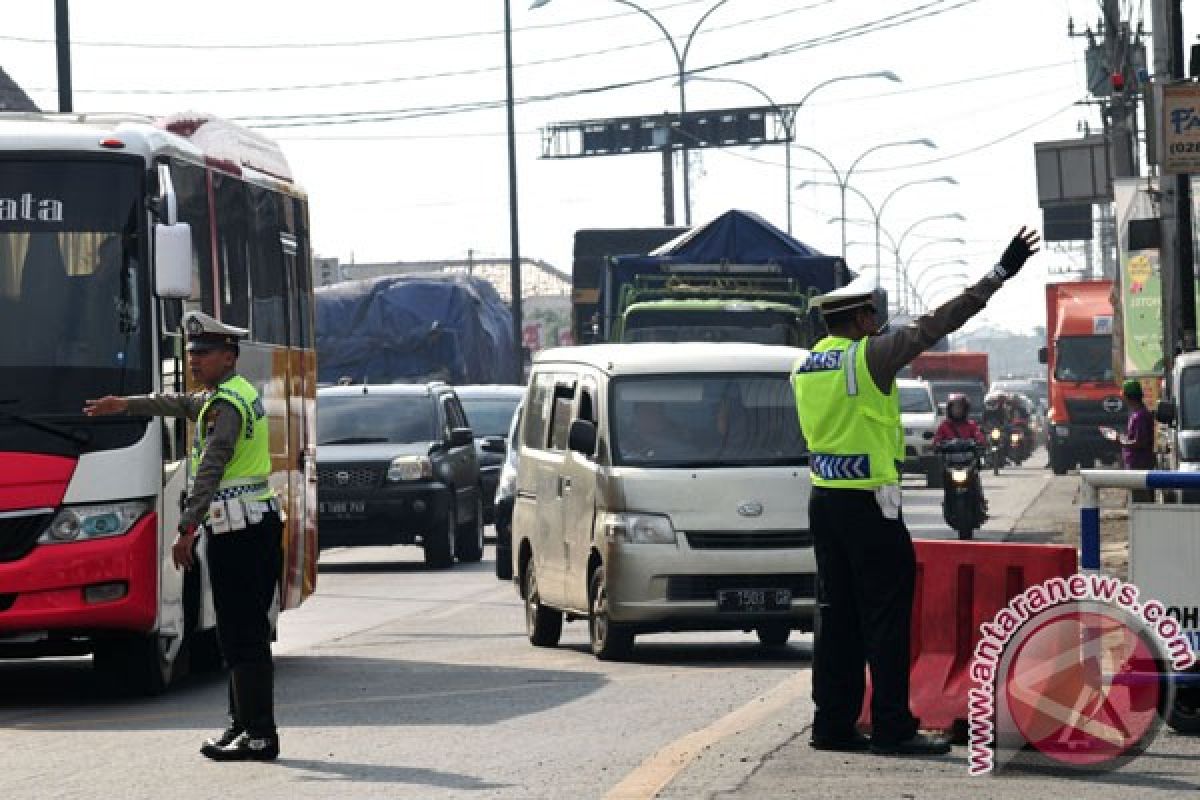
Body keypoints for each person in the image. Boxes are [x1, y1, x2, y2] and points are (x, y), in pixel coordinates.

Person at [791, 227, 1040, 756]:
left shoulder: (805, 364)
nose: (877, 325)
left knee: (835, 617)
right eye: (871, 318)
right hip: (869, 507)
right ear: (859, 319)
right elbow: (940, 322)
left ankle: (831, 726)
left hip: (824, 501)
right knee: (884, 618)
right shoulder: (868, 357)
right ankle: (891, 728)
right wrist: (998, 274)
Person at [84, 311, 283, 762]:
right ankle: (243, 725)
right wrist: (126, 404)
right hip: (247, 524)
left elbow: (211, 469)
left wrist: (186, 530)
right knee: (236, 634)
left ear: (228, 356)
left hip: (242, 528)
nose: (195, 360)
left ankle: (260, 734)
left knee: (243, 636)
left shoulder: (226, 406)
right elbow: (176, 403)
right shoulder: (228, 394)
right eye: (191, 353)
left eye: (205, 353)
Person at [1104, 378, 1156, 501]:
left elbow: (1140, 442)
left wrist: (1119, 440)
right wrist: (1122, 437)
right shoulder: (1137, 414)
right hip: (1136, 466)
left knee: (1140, 501)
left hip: (1139, 467)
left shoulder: (1140, 416)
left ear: (1128, 397)